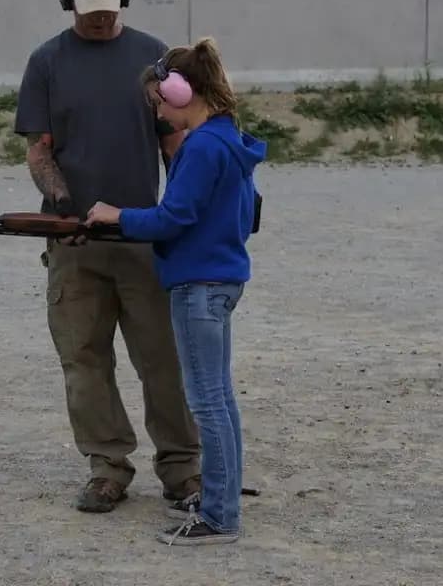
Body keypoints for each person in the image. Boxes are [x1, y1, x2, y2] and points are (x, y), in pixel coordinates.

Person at [13, 0, 202, 514]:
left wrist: (186, 213)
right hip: (75, 242)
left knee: (162, 359)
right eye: (89, 3)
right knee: (85, 359)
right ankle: (107, 466)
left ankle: (182, 468)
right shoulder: (46, 62)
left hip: (144, 238)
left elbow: (177, 144)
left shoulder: (154, 58)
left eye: (109, 2)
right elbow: (38, 150)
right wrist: (60, 202)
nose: (100, 14)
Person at [85, 37, 267, 546]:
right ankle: (220, 504)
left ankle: (220, 518)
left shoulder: (204, 146)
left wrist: (116, 216)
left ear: (183, 93)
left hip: (198, 287)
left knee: (207, 403)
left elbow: (174, 217)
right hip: (222, 281)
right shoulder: (230, 140)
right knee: (220, 401)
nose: (160, 115)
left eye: (160, 103)